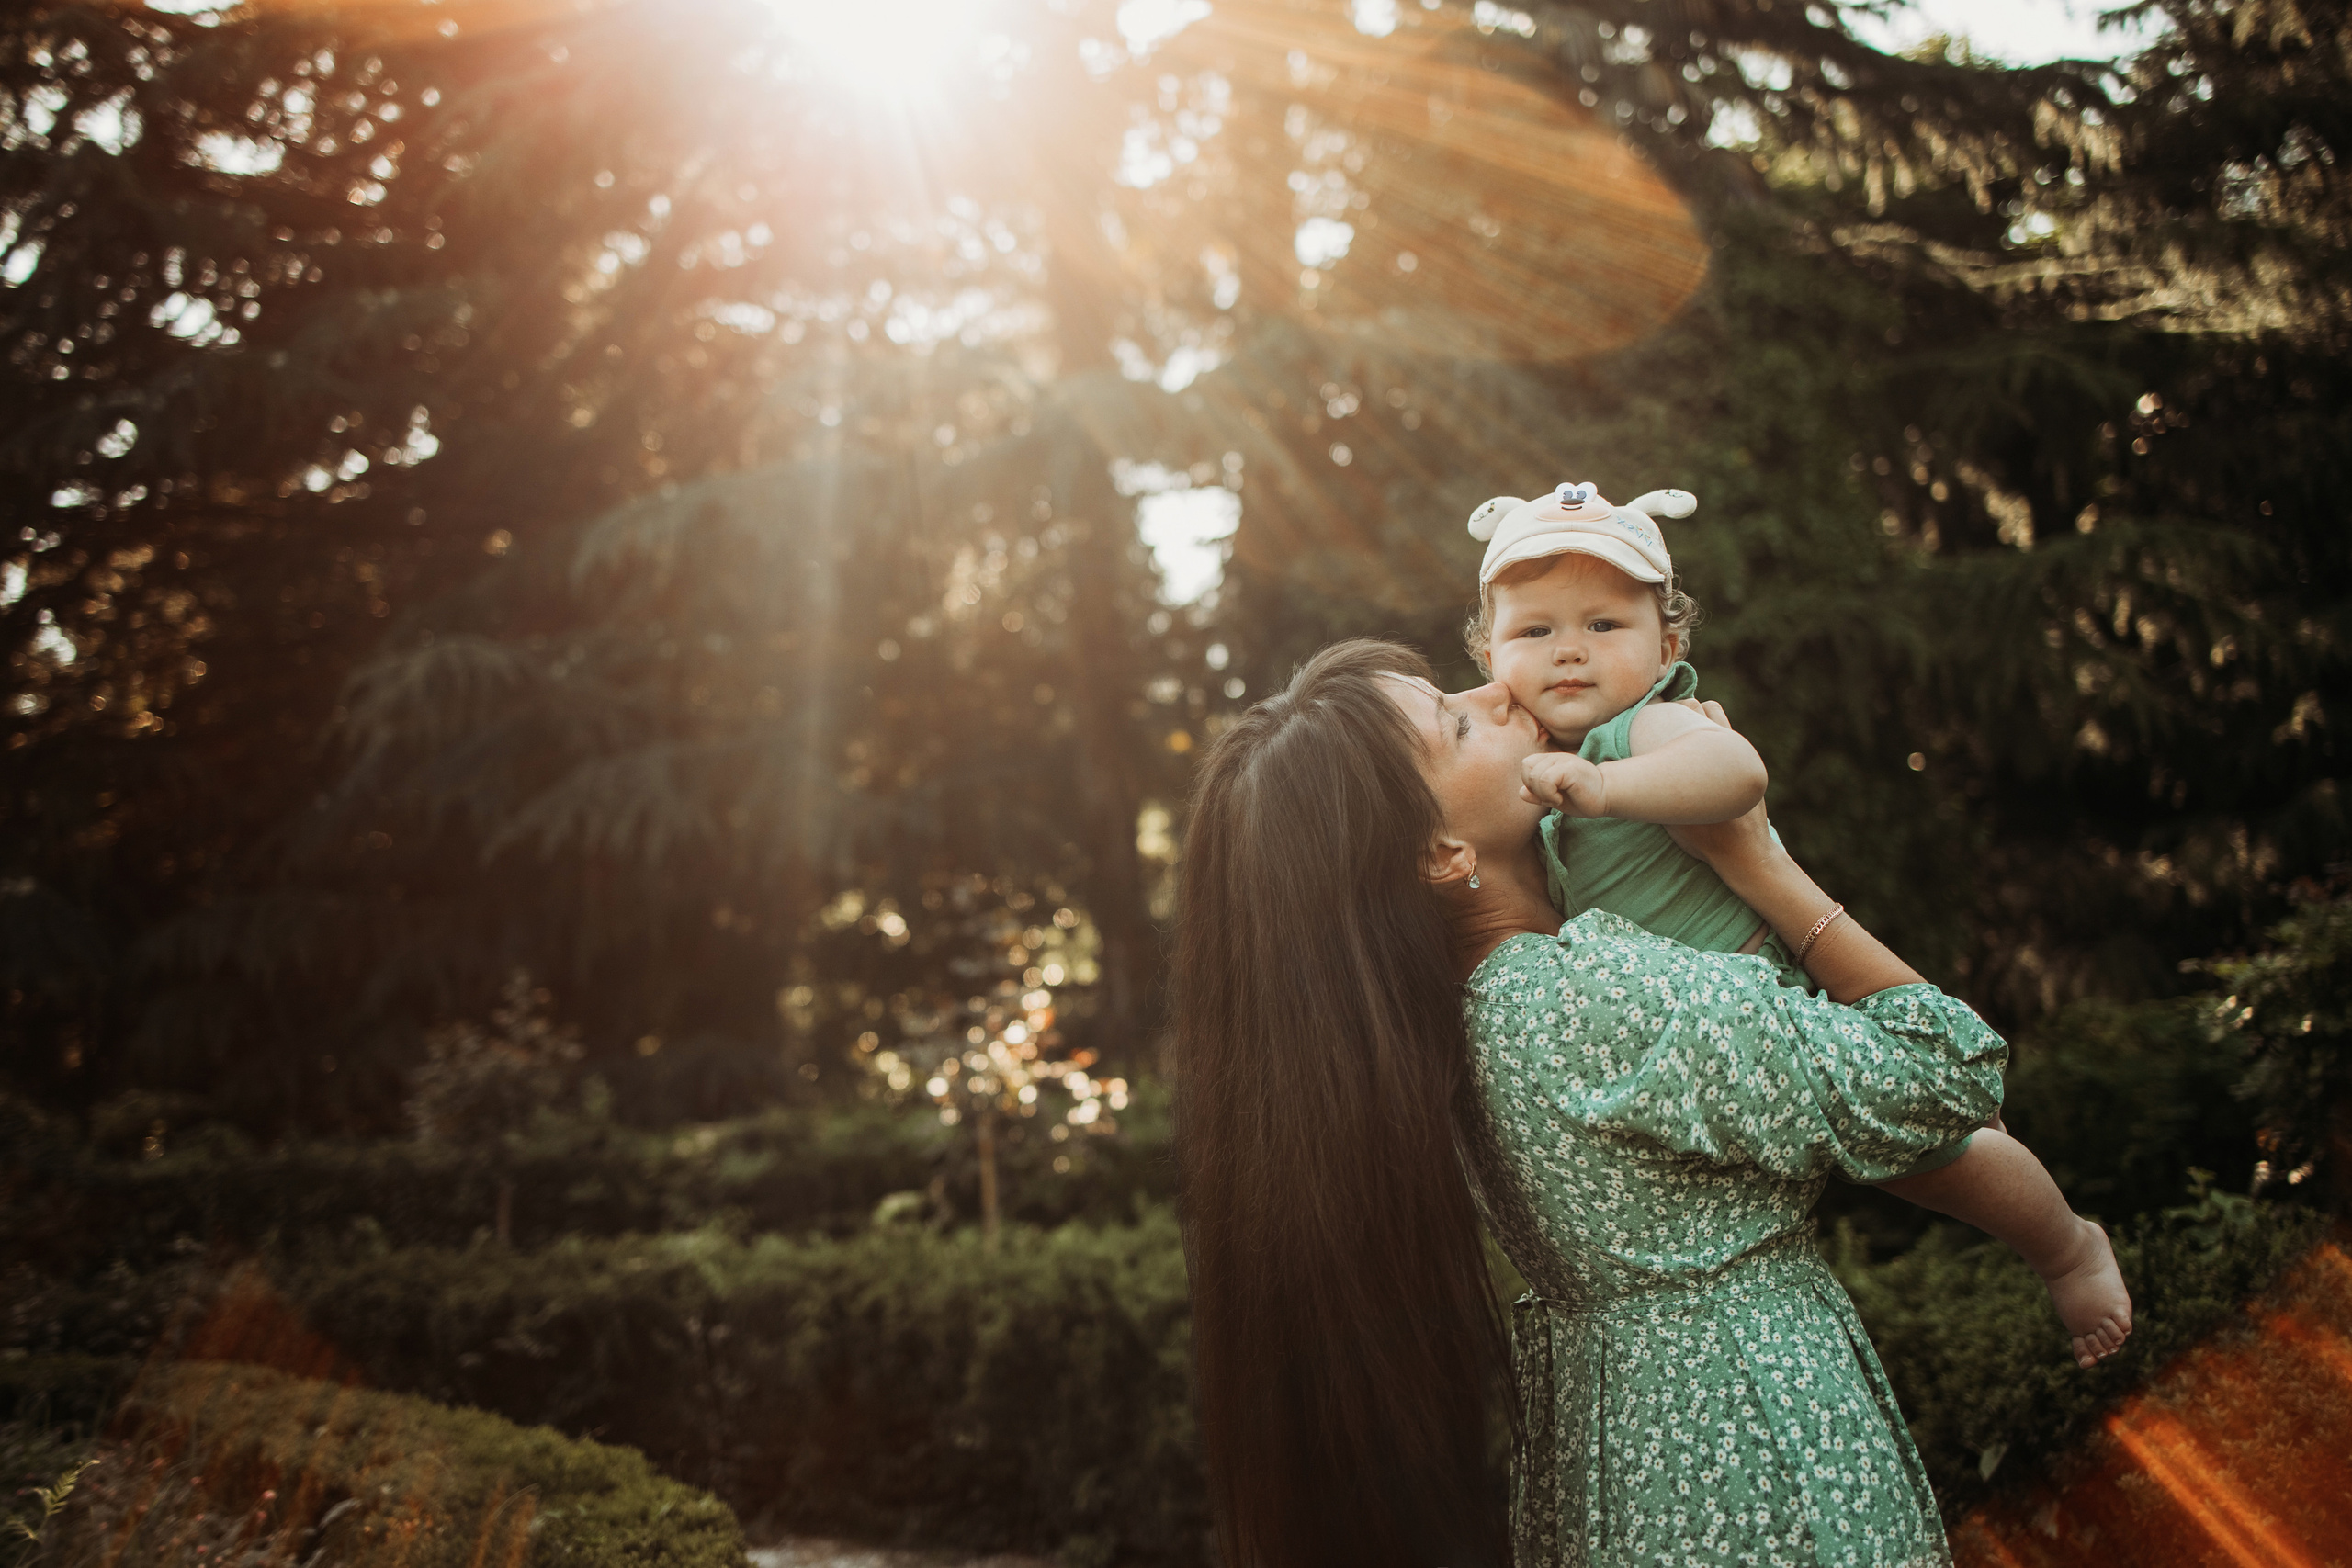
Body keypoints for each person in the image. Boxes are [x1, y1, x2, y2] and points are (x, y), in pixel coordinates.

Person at [1170, 637, 2101, 1568]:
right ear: (1440, 853)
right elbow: (1944, 1070)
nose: (1498, 690)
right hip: (1754, 1454)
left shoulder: (1459, 1022)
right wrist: (1755, 861)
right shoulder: (1589, 997)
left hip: (1630, 1469)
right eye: (1455, 724)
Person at [1466, 480, 2131, 1369]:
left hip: (1752, 992)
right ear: (1488, 658)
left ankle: (2067, 1244)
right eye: (1534, 632)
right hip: (1683, 1031)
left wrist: (1605, 789)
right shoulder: (1529, 776)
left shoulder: (1643, 730)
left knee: (1939, 1154)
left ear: (1667, 646)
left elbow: (1734, 774)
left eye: (1604, 625)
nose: (1570, 653)